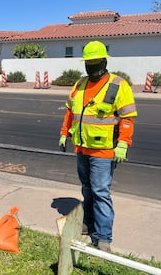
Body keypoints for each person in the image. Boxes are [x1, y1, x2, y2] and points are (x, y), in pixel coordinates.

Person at [58, 40, 137, 252]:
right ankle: (89, 223)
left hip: (104, 151)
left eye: (95, 62)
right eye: (88, 62)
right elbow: (70, 112)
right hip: (82, 148)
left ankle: (103, 237)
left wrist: (123, 144)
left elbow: (127, 117)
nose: (91, 66)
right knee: (87, 189)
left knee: (101, 191)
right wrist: (64, 133)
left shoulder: (118, 85)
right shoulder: (80, 84)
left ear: (104, 61)